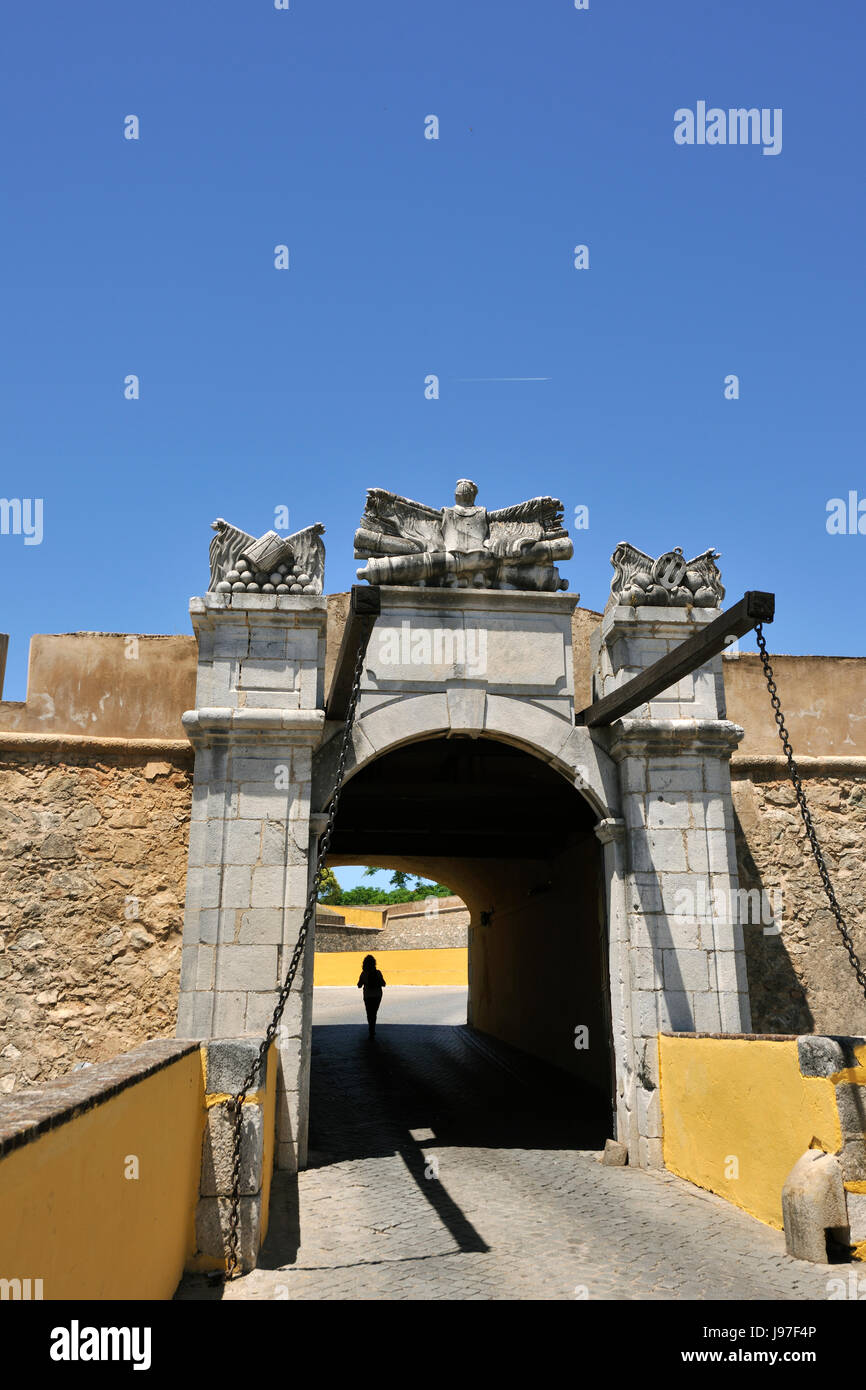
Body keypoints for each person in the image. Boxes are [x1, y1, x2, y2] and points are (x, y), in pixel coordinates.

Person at [357, 954, 386, 1038]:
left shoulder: (363, 973)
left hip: (367, 996)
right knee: (374, 1012)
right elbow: (384, 984)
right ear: (374, 963)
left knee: (369, 1013)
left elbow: (359, 985)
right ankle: (372, 1029)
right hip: (377, 995)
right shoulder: (378, 972)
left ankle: (371, 1029)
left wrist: (364, 982)